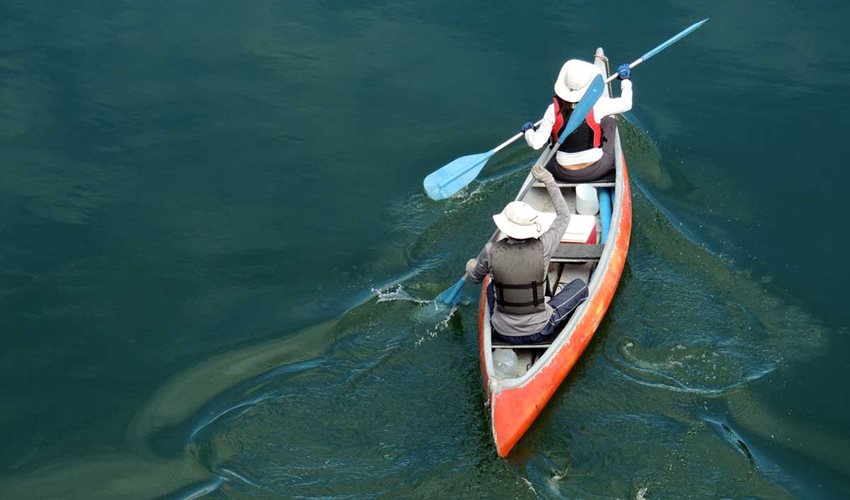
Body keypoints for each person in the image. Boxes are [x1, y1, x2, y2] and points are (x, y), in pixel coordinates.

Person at [465, 164, 588, 344]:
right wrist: (549, 181)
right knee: (580, 286)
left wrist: (470, 266)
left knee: (491, 286)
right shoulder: (544, 246)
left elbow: (476, 278)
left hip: (501, 331)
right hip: (540, 330)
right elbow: (563, 216)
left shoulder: (490, 250)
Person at [519, 59, 633, 183]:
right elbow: (626, 104)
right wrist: (625, 80)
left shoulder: (552, 110)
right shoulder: (598, 105)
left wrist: (529, 131)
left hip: (562, 173)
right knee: (609, 121)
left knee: (550, 146)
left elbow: (536, 144)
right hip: (597, 169)